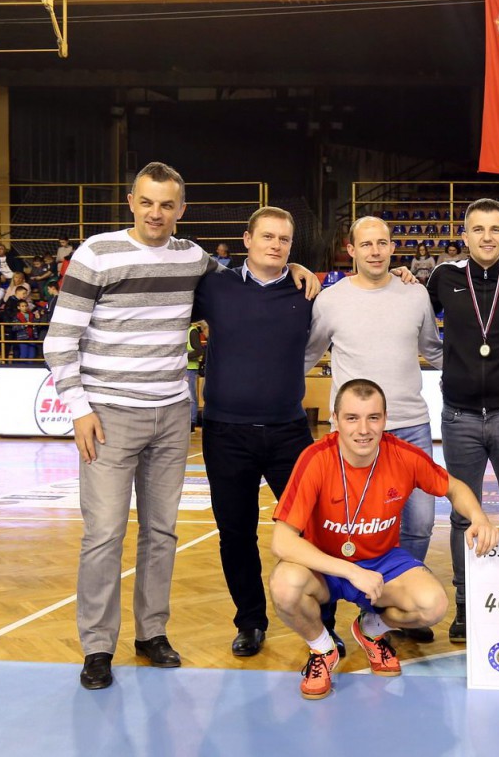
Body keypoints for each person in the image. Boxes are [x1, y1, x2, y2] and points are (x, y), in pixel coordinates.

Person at [44, 161, 317, 691]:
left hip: (172, 413)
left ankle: (152, 633)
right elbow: (59, 341)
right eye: (147, 202)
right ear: (131, 202)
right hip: (108, 415)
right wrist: (78, 408)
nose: (156, 213)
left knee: (161, 532)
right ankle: (98, 646)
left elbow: (256, 271)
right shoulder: (96, 253)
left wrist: (297, 265)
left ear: (181, 210)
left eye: (167, 205)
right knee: (104, 534)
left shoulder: (192, 258)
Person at [269, 379, 499, 700]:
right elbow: (282, 542)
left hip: (381, 562)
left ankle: (370, 629)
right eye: (352, 418)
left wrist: (479, 517)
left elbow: (454, 487)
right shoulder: (315, 459)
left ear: (385, 419)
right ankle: (322, 649)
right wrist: (350, 571)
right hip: (326, 565)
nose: (363, 429)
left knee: (432, 605)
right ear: (335, 420)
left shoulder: (403, 455)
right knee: (284, 585)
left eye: (373, 418)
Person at [306, 216, 444, 643]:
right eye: (366, 244)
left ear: (392, 247)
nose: (375, 251)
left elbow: (433, 349)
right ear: (351, 249)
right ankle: (329, 616)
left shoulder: (415, 293)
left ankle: (389, 608)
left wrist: (482, 372)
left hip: (410, 425)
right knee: (336, 525)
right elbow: (307, 354)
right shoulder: (330, 300)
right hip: (354, 435)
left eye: (382, 243)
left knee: (419, 522)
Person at [193, 206, 317, 658]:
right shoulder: (214, 286)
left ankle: (319, 625)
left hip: (289, 433)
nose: (275, 245)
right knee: (236, 533)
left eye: (284, 239)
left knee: (310, 531)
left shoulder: (307, 290)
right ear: (247, 239)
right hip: (226, 433)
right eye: (267, 236)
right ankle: (250, 621)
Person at [426, 198, 499, 642]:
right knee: (462, 515)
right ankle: (465, 605)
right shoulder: (443, 277)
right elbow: (409, 306)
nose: (487, 237)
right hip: (458, 417)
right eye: (478, 229)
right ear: (465, 235)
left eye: (496, 229)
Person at [185, 322, 204, 429]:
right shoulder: (183, 331)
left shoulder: (192, 331)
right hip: (182, 368)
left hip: (190, 369)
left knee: (191, 396)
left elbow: (199, 351)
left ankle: (192, 422)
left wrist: (183, 355)